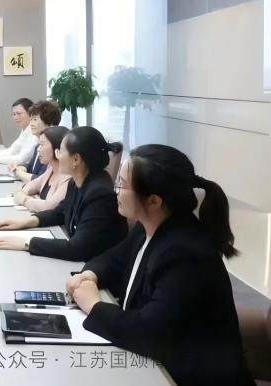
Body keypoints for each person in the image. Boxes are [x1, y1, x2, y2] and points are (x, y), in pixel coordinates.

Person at [66, 144, 253, 386]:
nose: (115, 191)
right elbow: (113, 259)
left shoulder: (186, 254)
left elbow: (149, 332)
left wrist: (93, 305)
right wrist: (90, 275)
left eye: (121, 184)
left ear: (154, 201)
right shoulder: (149, 225)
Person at [0, 126, 127, 261]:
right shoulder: (77, 182)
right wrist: (24, 222)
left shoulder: (100, 194)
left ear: (76, 159)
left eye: (60, 151)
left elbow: (78, 249)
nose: (57, 155)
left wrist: (27, 243)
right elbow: (60, 212)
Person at [12, 126, 70, 213]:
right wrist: (23, 193)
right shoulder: (51, 168)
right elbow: (33, 184)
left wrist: (25, 200)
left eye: (42, 145)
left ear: (57, 147)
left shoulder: (68, 177)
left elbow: (49, 207)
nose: (38, 149)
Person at [8, 100, 62, 183]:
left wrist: (17, 172)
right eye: (31, 119)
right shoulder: (38, 145)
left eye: (35, 119)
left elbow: (40, 180)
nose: (31, 124)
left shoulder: (53, 147)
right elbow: (30, 166)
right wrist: (19, 168)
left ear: (49, 123)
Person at [0, 98, 36, 165]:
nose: (15, 117)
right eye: (14, 114)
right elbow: (12, 150)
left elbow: (21, 159)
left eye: (19, 113)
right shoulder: (25, 130)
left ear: (31, 113)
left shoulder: (35, 133)